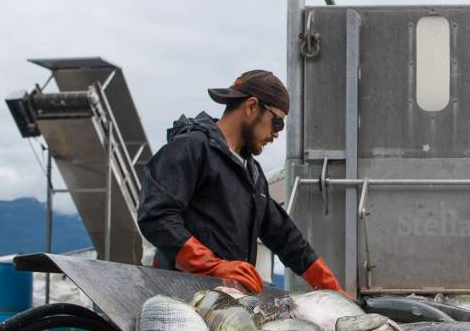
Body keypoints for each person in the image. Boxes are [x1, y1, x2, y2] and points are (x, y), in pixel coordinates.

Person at [137, 70, 342, 293]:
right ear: (252, 107)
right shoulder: (191, 148)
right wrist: (212, 266)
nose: (276, 134)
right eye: (277, 123)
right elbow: (156, 215)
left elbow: (284, 236)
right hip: (182, 303)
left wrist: (333, 290)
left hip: (226, 304)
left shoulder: (251, 174)